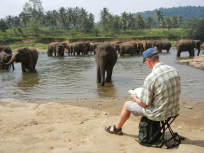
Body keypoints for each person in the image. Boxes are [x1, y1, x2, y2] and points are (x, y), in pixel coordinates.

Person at [105, 48, 181, 135]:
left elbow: (144, 104)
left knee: (126, 105)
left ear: (147, 60)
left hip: (158, 113)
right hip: (174, 110)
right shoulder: (173, 70)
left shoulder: (151, 78)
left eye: (145, 62)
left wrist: (134, 97)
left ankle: (116, 128)